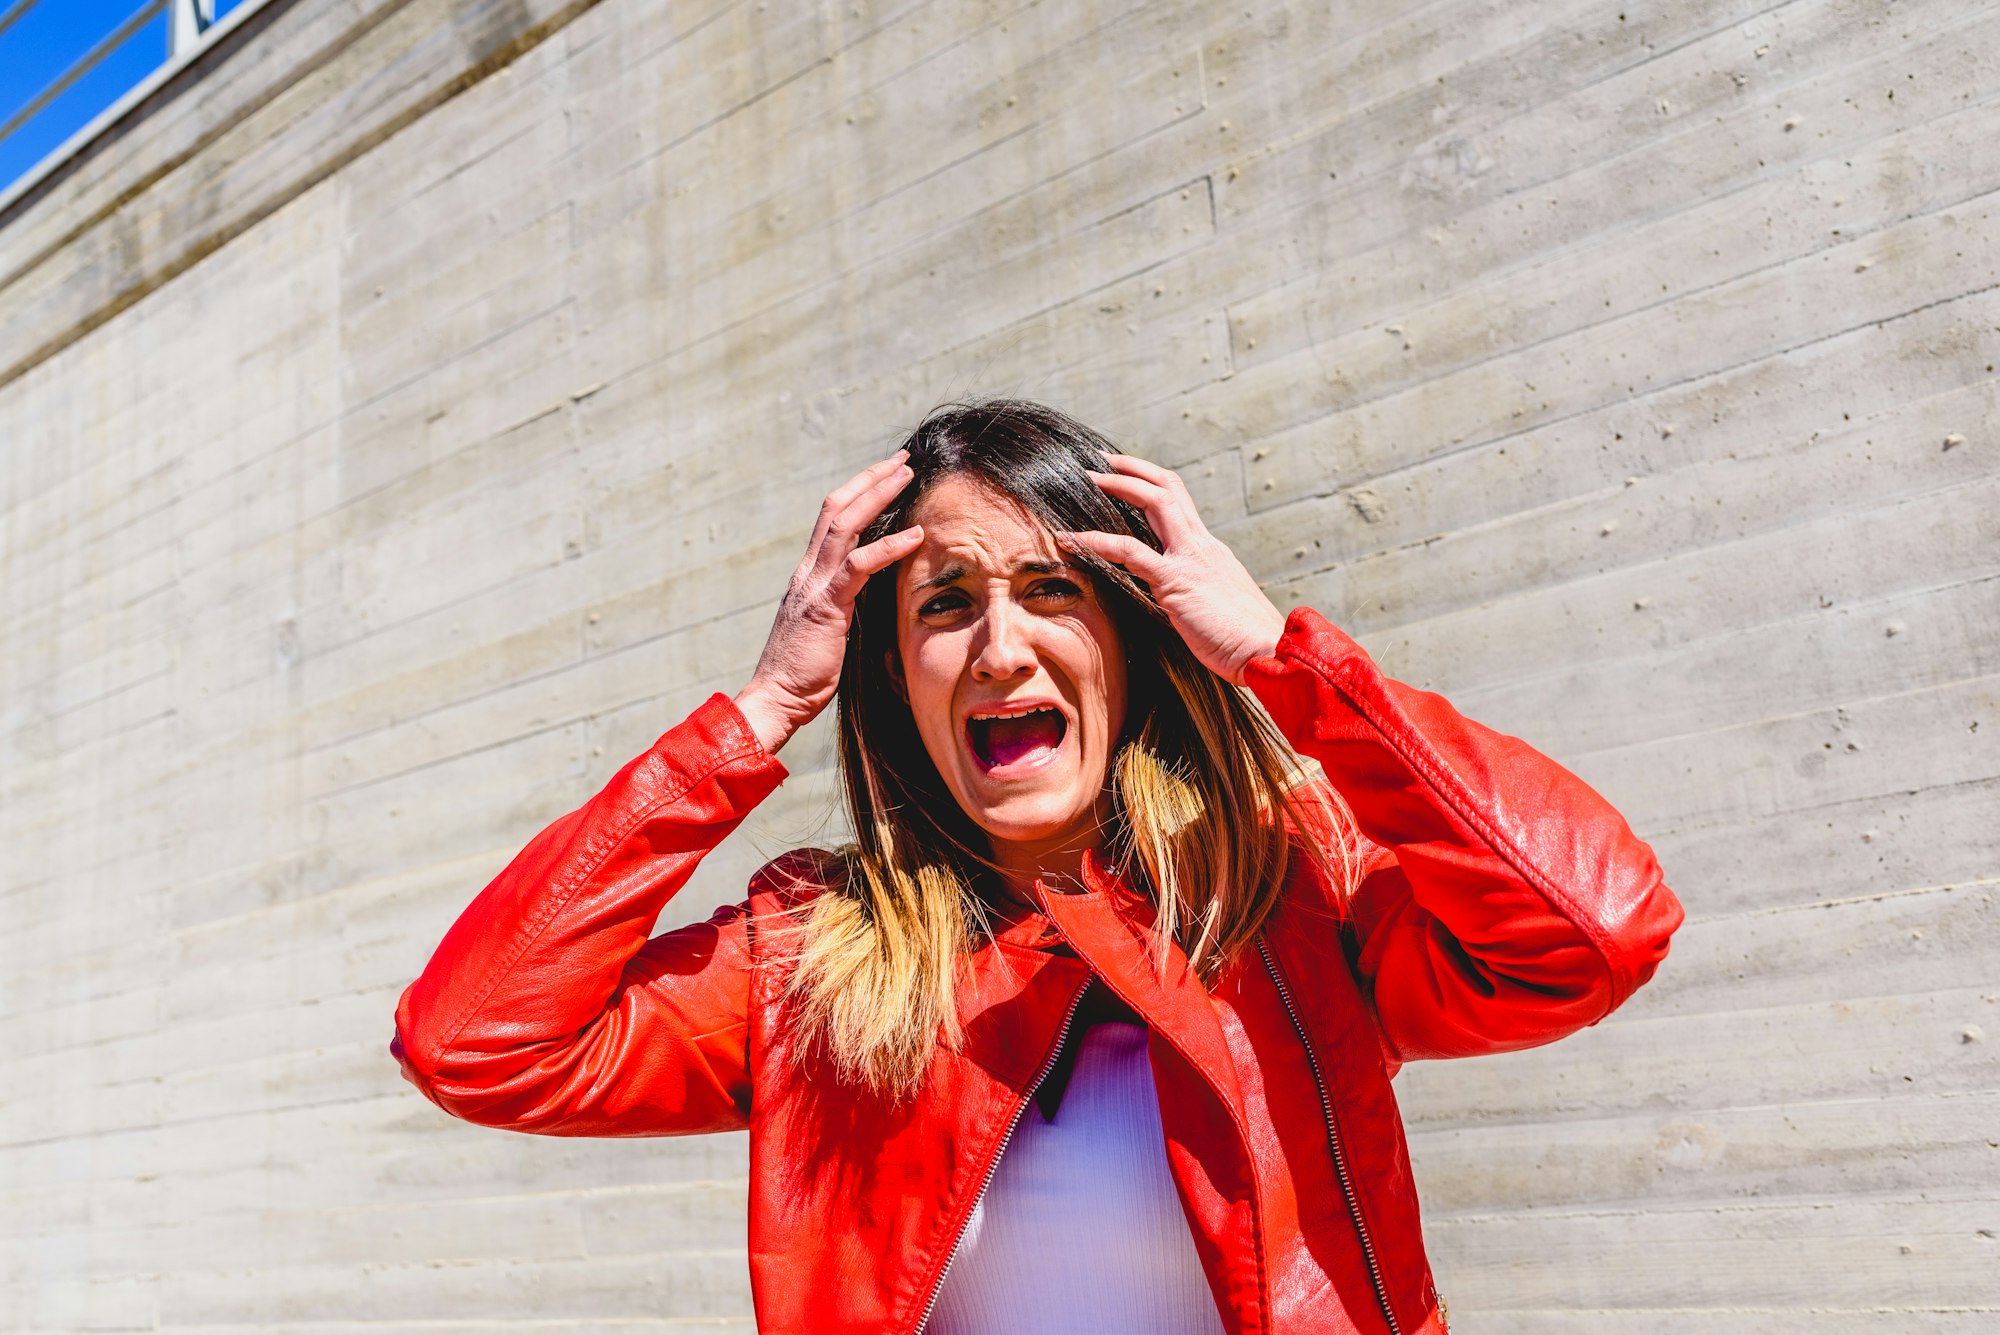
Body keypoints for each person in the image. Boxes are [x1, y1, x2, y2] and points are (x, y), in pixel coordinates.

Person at [391, 399, 1684, 1334]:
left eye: (1052, 589)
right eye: (946, 603)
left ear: (1129, 642)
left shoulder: (1283, 886)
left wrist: (1280, 661)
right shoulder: (810, 950)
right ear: (895, 674)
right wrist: (759, 709)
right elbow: (473, 1042)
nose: (1001, 645)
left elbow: (1593, 929)